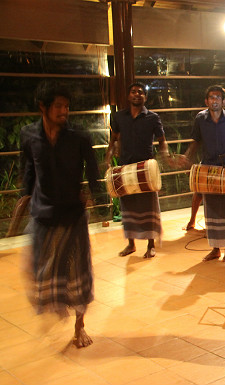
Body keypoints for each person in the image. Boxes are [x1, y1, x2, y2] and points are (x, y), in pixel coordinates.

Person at [20, 81, 100, 348]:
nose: (64, 111)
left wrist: (97, 198)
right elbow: (29, 171)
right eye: (58, 106)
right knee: (40, 272)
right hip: (43, 214)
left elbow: (93, 172)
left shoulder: (79, 136)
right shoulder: (29, 135)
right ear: (43, 107)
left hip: (73, 214)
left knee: (79, 272)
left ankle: (80, 326)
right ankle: (55, 304)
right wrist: (24, 196)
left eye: (67, 106)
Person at [182, 85, 225, 261]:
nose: (215, 100)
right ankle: (215, 249)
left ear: (224, 101)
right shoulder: (200, 119)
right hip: (209, 169)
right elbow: (195, 141)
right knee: (211, 211)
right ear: (206, 101)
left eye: (218, 97)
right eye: (211, 97)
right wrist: (187, 156)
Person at [106, 82, 169, 258]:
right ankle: (131, 244)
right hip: (126, 167)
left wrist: (165, 156)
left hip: (145, 169)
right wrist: (109, 155)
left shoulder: (153, 118)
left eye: (141, 92)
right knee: (128, 207)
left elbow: (162, 139)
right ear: (128, 96)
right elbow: (114, 139)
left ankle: (151, 245)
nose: (137, 94)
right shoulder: (118, 117)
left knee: (149, 206)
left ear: (145, 97)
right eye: (133, 92)